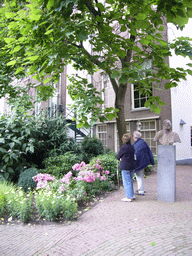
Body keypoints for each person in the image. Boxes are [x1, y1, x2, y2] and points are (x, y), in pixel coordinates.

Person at [133, 131, 155, 196]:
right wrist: (152, 161)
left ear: (135, 137)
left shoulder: (136, 144)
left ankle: (141, 191)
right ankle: (141, 188)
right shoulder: (143, 142)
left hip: (139, 163)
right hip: (144, 162)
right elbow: (149, 151)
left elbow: (136, 154)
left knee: (138, 176)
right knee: (141, 176)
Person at [117, 133, 135, 202]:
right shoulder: (132, 147)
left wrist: (121, 158)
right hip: (132, 166)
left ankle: (129, 197)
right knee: (130, 181)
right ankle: (132, 195)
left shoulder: (123, 148)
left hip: (125, 167)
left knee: (127, 182)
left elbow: (118, 156)